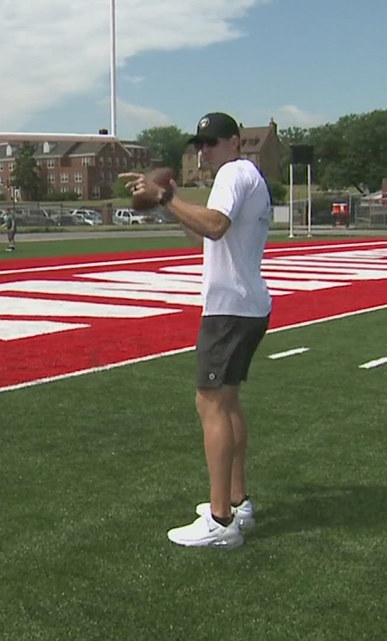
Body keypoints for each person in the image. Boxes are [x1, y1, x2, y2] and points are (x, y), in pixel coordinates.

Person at [120, 111, 272, 549]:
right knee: (227, 403)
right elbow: (207, 237)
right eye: (199, 144)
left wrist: (166, 197)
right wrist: (171, 203)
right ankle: (238, 502)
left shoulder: (232, 174)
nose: (203, 151)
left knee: (209, 406)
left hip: (228, 308)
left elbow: (215, 225)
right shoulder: (247, 177)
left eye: (212, 142)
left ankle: (221, 519)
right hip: (246, 303)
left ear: (235, 142)